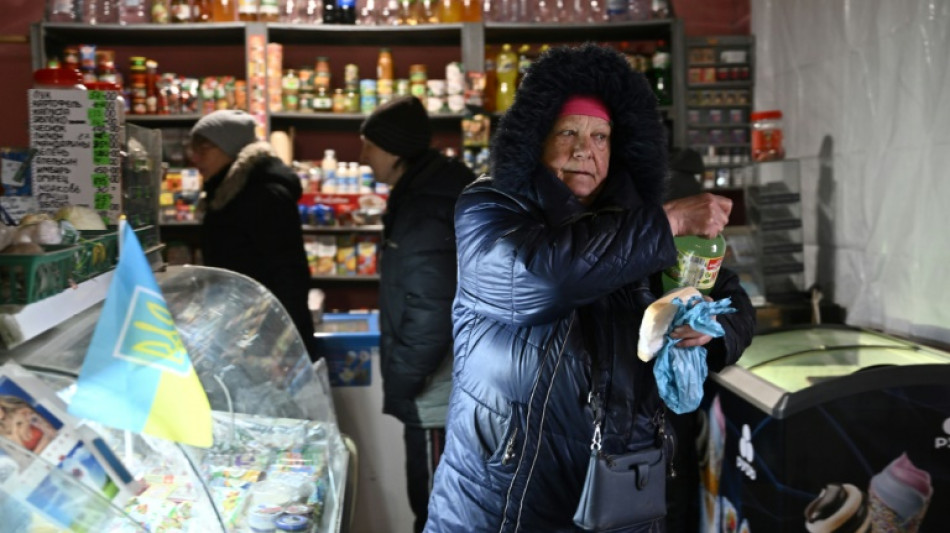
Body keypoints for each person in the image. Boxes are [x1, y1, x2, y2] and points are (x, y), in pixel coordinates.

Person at [424, 43, 756, 532]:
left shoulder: (643, 225)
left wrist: (711, 331)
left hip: (622, 494)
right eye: (568, 133)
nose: (586, 150)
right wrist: (664, 223)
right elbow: (543, 277)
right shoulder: (490, 207)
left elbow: (733, 302)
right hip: (505, 496)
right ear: (536, 138)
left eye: (600, 136)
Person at [359, 96, 476, 532]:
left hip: (435, 393)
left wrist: (405, 378)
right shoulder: (426, 193)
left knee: (434, 509)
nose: (362, 156)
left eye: (368, 146)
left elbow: (431, 310)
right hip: (438, 386)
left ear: (392, 150)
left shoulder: (425, 208)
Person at [188, 110, 317, 361]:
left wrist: (280, 348)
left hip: (265, 338)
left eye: (204, 149)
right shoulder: (225, 193)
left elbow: (289, 275)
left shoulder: (264, 195)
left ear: (230, 149)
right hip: (242, 330)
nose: (195, 158)